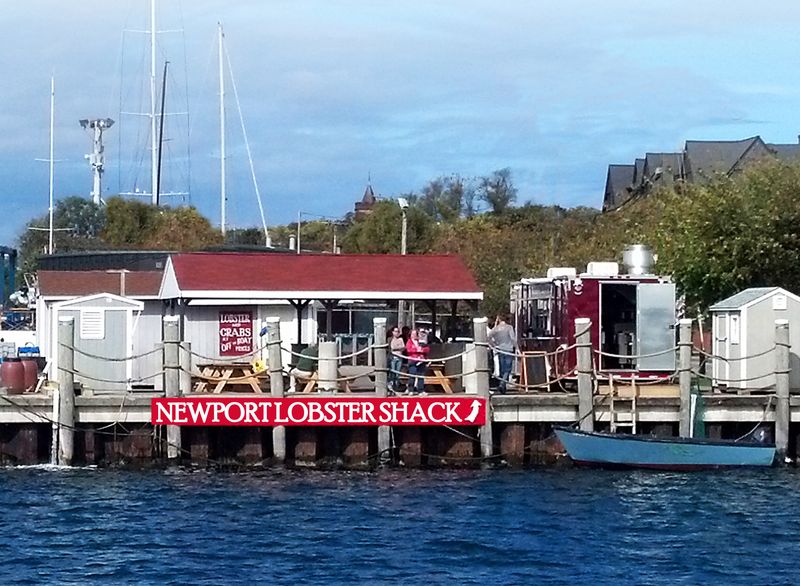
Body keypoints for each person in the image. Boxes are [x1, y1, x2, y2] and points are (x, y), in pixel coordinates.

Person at [488, 314, 517, 394]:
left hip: (500, 349)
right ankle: (502, 384)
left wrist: (493, 344)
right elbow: (513, 338)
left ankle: (502, 386)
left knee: (501, 369)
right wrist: (516, 347)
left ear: (499, 320)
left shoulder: (496, 329)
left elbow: (489, 337)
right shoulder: (509, 328)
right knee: (507, 369)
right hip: (508, 350)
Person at [405, 329, 430, 395]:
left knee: (421, 376)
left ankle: (421, 390)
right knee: (412, 375)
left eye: (415, 334)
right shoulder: (409, 342)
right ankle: (411, 390)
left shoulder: (421, 341)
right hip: (413, 360)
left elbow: (427, 349)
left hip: (421, 360)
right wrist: (417, 349)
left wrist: (421, 350)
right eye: (412, 334)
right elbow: (409, 350)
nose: (414, 335)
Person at [388, 326, 406, 394]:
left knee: (398, 373)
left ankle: (396, 386)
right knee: (392, 373)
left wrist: (397, 348)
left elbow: (403, 347)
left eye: (398, 331)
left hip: (399, 358)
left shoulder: (401, 339)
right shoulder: (390, 339)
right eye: (395, 331)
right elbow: (391, 348)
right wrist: (398, 347)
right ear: (392, 332)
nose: (397, 333)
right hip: (392, 358)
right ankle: (391, 387)